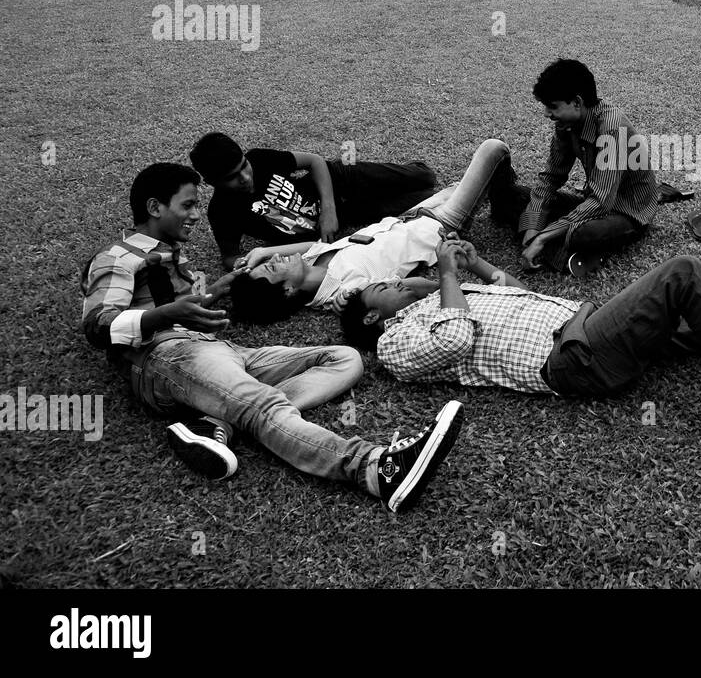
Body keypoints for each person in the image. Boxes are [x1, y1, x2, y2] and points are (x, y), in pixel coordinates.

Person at [81, 162, 462, 512]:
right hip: (166, 358)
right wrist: (165, 315)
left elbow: (174, 303)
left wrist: (215, 291)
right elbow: (99, 325)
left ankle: (221, 421)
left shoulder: (169, 253)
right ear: (154, 206)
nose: (196, 215)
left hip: (216, 351)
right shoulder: (117, 257)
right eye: (188, 205)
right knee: (261, 406)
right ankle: (376, 469)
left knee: (345, 359)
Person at [342, 237, 701, 426]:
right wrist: (442, 275)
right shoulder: (393, 345)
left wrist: (478, 266)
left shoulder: (447, 294)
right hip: (574, 359)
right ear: (374, 315)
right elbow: (457, 339)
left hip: (585, 325)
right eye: (386, 288)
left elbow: (513, 291)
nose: (400, 283)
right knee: (683, 274)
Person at [227, 139, 524, 322]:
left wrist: (264, 251)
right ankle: (509, 204)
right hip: (439, 227)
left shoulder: (312, 261)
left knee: (469, 184)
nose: (274, 262)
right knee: (493, 150)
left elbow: (306, 247)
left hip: (408, 217)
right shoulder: (343, 292)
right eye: (271, 270)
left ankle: (505, 203)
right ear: (288, 291)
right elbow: (370, 300)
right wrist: (348, 304)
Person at [189, 131, 455, 271]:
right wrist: (243, 262)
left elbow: (314, 161)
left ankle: (396, 173)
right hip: (353, 212)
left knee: (425, 176)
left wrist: (328, 211)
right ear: (211, 182)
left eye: (244, 166)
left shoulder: (260, 159)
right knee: (429, 200)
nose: (246, 177)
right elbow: (230, 257)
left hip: (342, 179)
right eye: (233, 178)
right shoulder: (222, 211)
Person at [518, 59, 657, 276]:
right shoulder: (566, 124)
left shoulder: (612, 128)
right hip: (592, 202)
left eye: (553, 106)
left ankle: (560, 247)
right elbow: (551, 177)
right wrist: (533, 225)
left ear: (577, 102)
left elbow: (602, 201)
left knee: (582, 233)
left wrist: (544, 235)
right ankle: (557, 246)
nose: (547, 113)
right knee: (516, 197)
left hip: (627, 211)